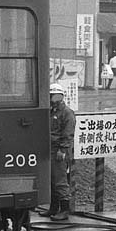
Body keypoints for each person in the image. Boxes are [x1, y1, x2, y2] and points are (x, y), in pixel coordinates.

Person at [40, 83, 75, 221]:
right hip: (49, 149)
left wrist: (62, 149)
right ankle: (53, 208)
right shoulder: (51, 111)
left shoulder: (67, 113)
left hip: (59, 150)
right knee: (51, 180)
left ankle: (65, 209)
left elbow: (68, 133)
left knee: (60, 180)